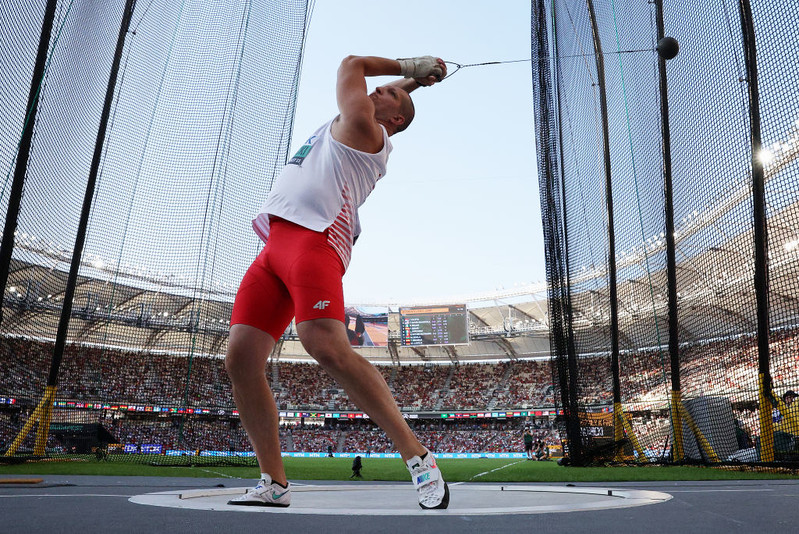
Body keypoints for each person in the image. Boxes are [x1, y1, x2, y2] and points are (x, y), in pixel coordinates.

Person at [225, 55, 449, 510]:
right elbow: (384, 93)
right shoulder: (355, 121)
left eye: (387, 92)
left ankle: (418, 457)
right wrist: (417, 80)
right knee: (240, 359)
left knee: (325, 346)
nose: (378, 88)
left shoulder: (366, 133)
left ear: (393, 119)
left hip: (316, 242)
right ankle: (274, 482)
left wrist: (410, 63)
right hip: (275, 246)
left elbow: (353, 63)